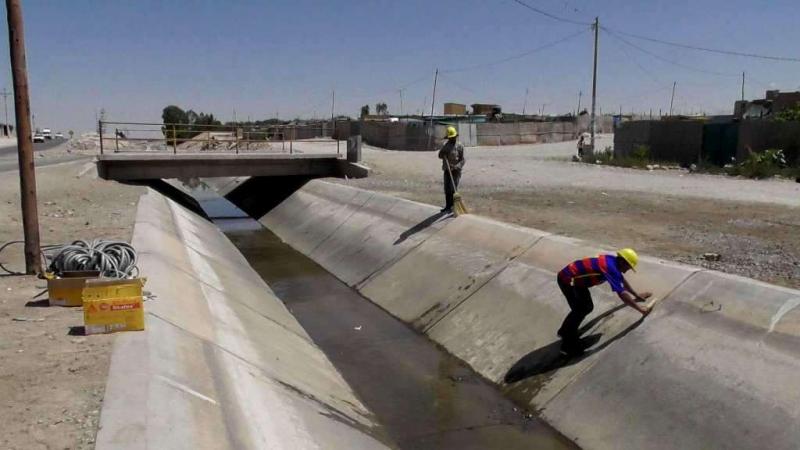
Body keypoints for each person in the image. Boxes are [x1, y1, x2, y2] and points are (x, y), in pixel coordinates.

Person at [556, 248, 652, 356]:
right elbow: (622, 294)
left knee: (584, 307)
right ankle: (567, 347)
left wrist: (636, 295)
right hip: (568, 281)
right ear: (622, 261)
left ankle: (565, 331)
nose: (626, 270)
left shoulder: (612, 261)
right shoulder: (610, 268)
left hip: (577, 282)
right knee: (581, 308)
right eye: (628, 267)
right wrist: (640, 310)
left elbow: (622, 280)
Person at [437, 126, 465, 213]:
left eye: (453, 137)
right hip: (447, 170)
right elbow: (440, 156)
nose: (452, 139)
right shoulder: (446, 145)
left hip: (456, 171)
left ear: (455, 136)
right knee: (447, 189)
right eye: (450, 137)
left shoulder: (460, 146)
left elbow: (463, 160)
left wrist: (456, 166)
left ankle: (454, 207)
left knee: (453, 189)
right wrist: (442, 153)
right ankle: (447, 206)